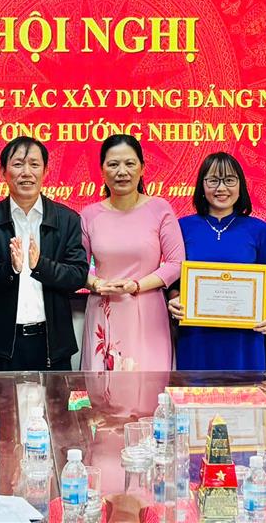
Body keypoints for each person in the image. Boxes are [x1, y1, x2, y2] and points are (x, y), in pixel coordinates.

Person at [0, 137, 89, 371]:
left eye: (34, 164)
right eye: (18, 164)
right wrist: (9, 269)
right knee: (1, 397)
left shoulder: (67, 219)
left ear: (45, 171)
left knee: (54, 398)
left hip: (53, 345)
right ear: (3, 171)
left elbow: (78, 275)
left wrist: (41, 266)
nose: (26, 172)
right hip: (3, 346)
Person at [80, 134, 184, 372]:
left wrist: (136, 285)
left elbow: (176, 263)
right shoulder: (89, 215)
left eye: (129, 163)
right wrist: (97, 284)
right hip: (104, 309)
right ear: (102, 170)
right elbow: (78, 268)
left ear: (142, 168)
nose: (122, 172)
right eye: (113, 164)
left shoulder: (160, 208)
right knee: (105, 385)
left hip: (148, 310)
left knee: (149, 384)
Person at [173, 152, 266, 370]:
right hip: (196, 337)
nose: (221, 188)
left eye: (229, 180)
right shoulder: (182, 227)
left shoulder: (258, 229)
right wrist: (174, 299)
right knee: (196, 391)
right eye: (213, 180)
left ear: (240, 185)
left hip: (244, 339)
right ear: (202, 185)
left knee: (244, 391)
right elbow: (174, 280)